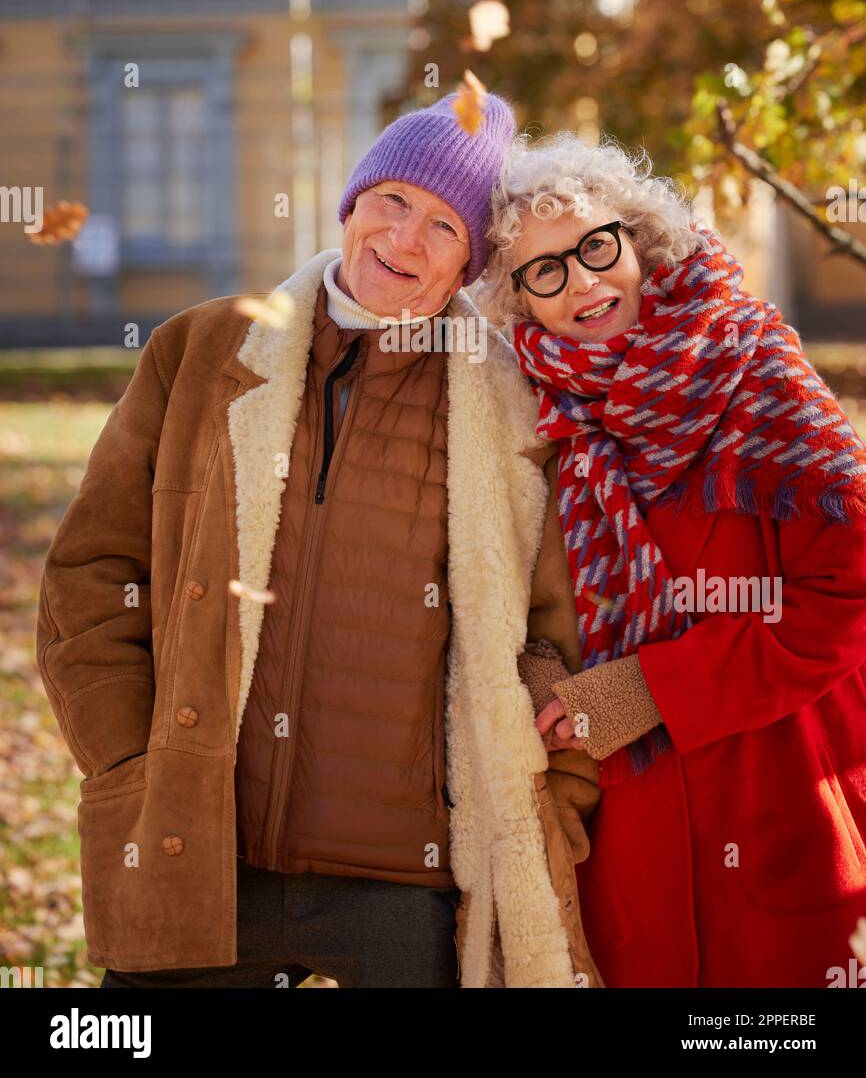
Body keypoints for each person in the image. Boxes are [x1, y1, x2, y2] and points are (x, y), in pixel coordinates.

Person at [36, 91, 603, 989]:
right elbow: (92, 575)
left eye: (445, 226)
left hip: (402, 890)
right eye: (393, 202)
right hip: (199, 855)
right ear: (353, 203)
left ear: (470, 264)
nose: (405, 240)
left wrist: (555, 791)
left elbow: (555, 632)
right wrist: (133, 760)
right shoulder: (203, 348)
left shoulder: (507, 405)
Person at [479, 130, 866, 987]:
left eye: (595, 246)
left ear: (640, 242)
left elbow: (849, 595)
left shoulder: (757, 368)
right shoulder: (532, 415)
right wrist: (541, 668)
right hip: (632, 828)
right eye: (545, 270)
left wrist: (657, 688)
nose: (581, 281)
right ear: (519, 302)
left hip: (783, 789)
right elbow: (507, 589)